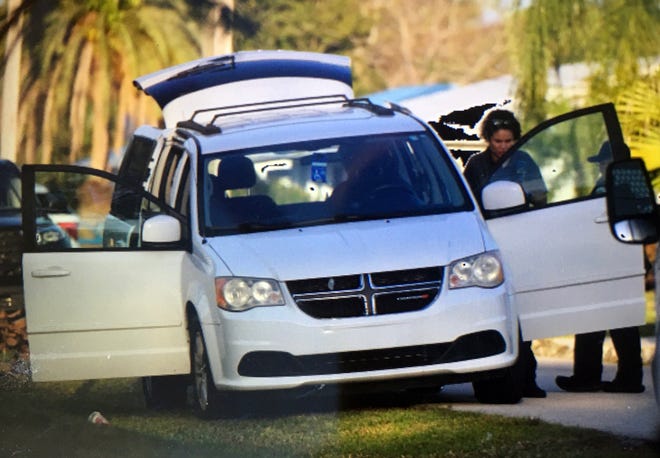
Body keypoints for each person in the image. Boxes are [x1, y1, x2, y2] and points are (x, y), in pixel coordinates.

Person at [463, 108, 547, 398]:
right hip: (491, 246)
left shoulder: (524, 162)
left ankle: (528, 379)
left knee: (524, 314)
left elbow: (540, 195)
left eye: (508, 141)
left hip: (522, 241)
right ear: (488, 139)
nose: (502, 147)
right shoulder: (475, 164)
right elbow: (470, 205)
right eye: (497, 141)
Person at [555, 141, 645, 394]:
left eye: (604, 163)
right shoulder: (635, 184)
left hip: (606, 260)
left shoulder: (610, 186)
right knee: (620, 320)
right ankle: (627, 376)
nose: (601, 168)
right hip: (622, 258)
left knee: (594, 317)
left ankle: (589, 376)